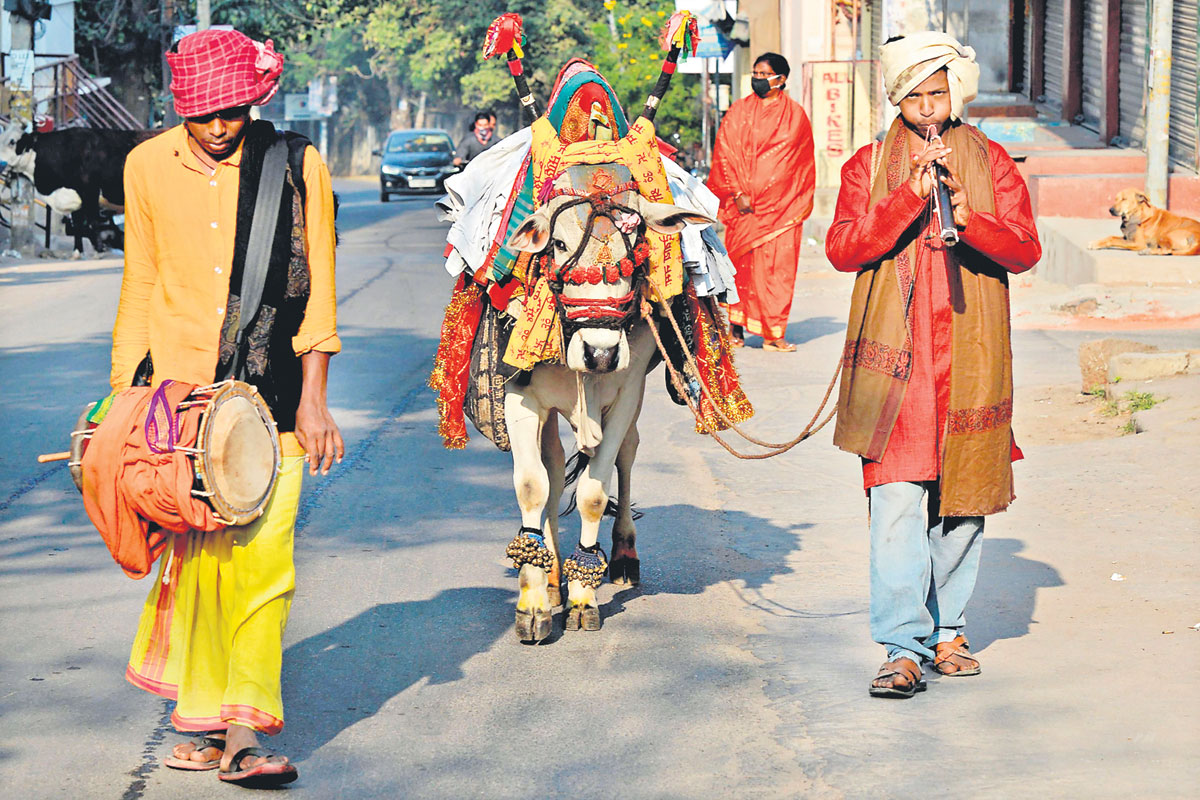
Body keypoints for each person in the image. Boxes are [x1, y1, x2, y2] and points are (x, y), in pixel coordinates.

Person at [112, 28, 344, 783]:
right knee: (202, 566)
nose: (220, 128)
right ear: (183, 109)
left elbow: (320, 297)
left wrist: (316, 402)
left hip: (273, 404)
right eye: (205, 115)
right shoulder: (145, 166)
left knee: (264, 564)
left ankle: (246, 731)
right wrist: (122, 407)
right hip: (178, 409)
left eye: (234, 112)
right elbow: (140, 286)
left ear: (254, 100)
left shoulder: (297, 164)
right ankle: (209, 722)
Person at [825, 32, 1040, 699]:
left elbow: (1026, 249)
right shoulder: (867, 166)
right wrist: (905, 199)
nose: (926, 109)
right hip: (898, 367)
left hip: (971, 358)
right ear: (898, 99)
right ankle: (901, 646)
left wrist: (970, 217)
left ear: (955, 97)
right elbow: (842, 247)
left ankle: (949, 633)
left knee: (961, 508)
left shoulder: (990, 158)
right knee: (894, 504)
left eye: (937, 95)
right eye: (914, 97)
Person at [707, 52, 815, 352]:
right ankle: (736, 331)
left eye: (763, 73)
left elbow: (799, 164)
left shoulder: (796, 116)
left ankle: (773, 334)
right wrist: (737, 192)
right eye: (754, 72)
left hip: (782, 210)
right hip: (744, 210)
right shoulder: (739, 111)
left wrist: (777, 195)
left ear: (780, 79)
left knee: (777, 271)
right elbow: (725, 152)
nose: (757, 78)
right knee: (740, 270)